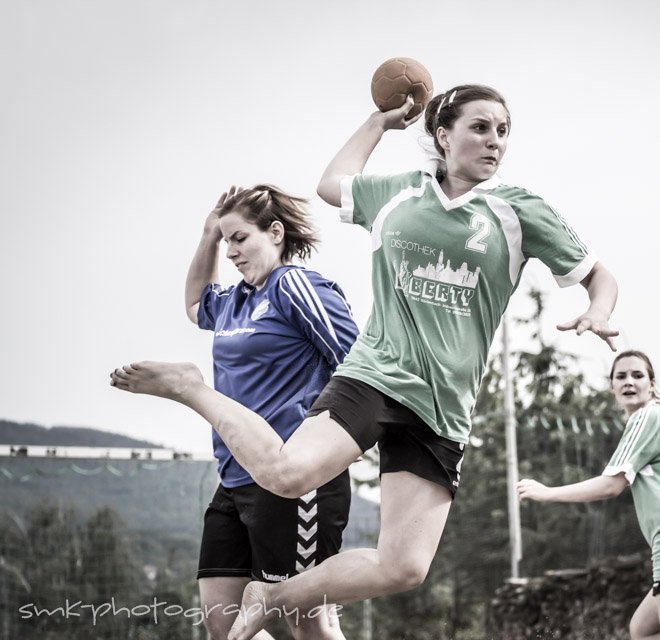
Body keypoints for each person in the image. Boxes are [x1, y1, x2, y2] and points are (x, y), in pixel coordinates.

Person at [110, 84, 618, 640]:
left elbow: (599, 274)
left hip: (443, 405)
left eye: (502, 130)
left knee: (403, 568)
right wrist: (381, 122)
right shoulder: (400, 194)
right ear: (443, 136)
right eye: (480, 127)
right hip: (374, 375)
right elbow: (331, 184)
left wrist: (598, 308)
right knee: (286, 473)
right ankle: (190, 388)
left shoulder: (520, 210)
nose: (494, 141)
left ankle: (272, 595)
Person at [184, 185, 359, 640]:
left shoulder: (294, 286)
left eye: (240, 238)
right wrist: (207, 236)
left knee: (309, 624)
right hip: (235, 477)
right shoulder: (233, 300)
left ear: (275, 232)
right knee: (222, 621)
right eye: (227, 242)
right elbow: (193, 306)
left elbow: (358, 363)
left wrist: (346, 439)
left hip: (293, 478)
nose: (232, 251)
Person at [516, 350, 660, 640]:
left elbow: (611, 485)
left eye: (637, 375)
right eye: (621, 376)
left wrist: (547, 493)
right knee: (641, 631)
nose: (629, 381)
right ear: (612, 387)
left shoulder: (647, 417)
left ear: (652, 384)